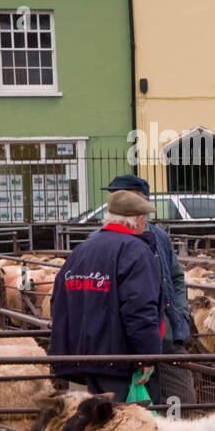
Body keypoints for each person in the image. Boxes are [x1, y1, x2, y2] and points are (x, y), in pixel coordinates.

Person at [50, 190, 163, 401]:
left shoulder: (82, 250)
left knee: (94, 422)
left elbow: (58, 300)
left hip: (81, 359)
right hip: (117, 360)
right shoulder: (136, 251)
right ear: (138, 219)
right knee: (120, 423)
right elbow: (139, 308)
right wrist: (149, 355)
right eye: (144, 221)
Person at [98, 174, 193, 409]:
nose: (111, 200)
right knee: (133, 410)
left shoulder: (159, 237)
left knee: (181, 404)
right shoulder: (105, 240)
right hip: (127, 343)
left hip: (168, 338)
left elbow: (176, 277)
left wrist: (180, 314)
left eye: (118, 195)